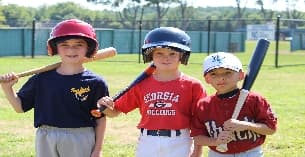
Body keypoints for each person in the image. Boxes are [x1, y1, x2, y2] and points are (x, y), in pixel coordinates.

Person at [0, 19, 108, 157]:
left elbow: (100, 118)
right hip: (46, 136)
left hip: (80, 136)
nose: (71, 49)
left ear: (89, 48)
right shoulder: (41, 79)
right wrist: (7, 88)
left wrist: (98, 149)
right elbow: (19, 107)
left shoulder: (95, 82)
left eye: (78, 44)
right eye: (65, 45)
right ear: (55, 48)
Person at [96, 27, 207, 157]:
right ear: (151, 55)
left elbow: (200, 121)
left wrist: (197, 151)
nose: (166, 58)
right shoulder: (141, 85)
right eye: (160, 53)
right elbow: (115, 112)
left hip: (180, 140)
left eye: (172, 54)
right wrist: (105, 106)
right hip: (148, 141)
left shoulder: (193, 85)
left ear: (181, 56)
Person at [191, 52, 278, 157]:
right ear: (207, 79)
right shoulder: (203, 105)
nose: (221, 78)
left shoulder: (254, 100)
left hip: (251, 153)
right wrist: (216, 141)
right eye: (214, 74)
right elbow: (197, 137)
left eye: (228, 72)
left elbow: (270, 129)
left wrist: (247, 125)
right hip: (218, 154)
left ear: (241, 75)